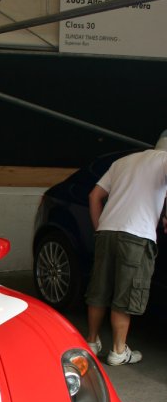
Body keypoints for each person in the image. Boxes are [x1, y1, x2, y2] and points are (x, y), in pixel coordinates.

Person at [85, 129, 167, 365]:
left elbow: (94, 196)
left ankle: (91, 341)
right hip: (137, 236)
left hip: (107, 231)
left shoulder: (123, 161)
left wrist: (99, 228)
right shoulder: (163, 160)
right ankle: (118, 352)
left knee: (98, 290)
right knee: (125, 293)